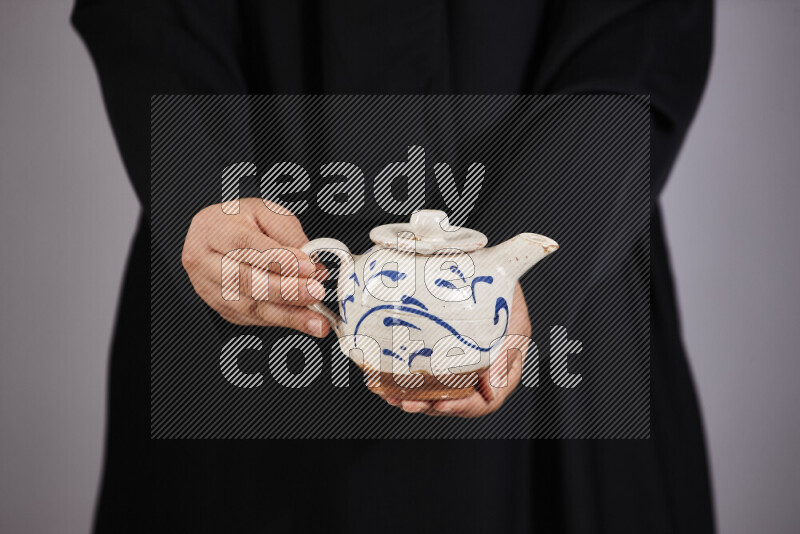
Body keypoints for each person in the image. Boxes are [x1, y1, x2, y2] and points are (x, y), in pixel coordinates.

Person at [72, 0, 715, 532]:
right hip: (237, 319)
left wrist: (522, 266)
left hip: (570, 301)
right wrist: (207, 191)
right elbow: (145, 19)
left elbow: (641, 30)